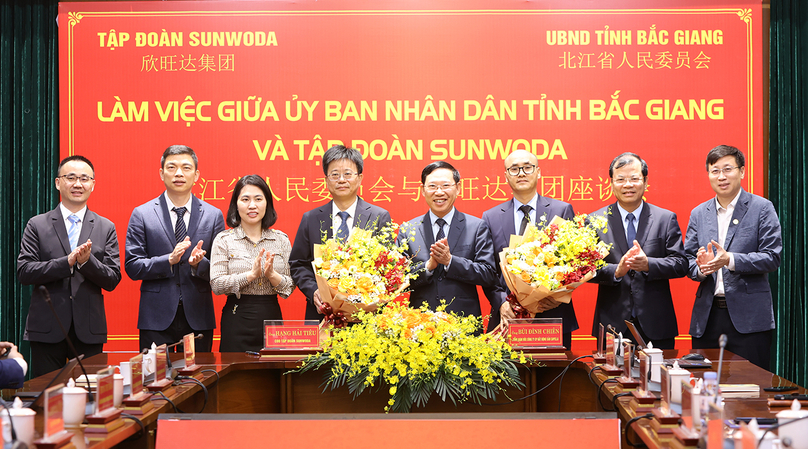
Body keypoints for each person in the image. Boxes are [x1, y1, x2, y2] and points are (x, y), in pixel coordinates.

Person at [17, 155, 121, 377]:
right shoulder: (37, 224)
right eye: (71, 177)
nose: (77, 184)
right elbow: (24, 271)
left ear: (93, 185)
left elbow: (112, 278)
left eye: (84, 178)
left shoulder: (105, 227)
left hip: (89, 329)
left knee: (90, 398)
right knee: (46, 396)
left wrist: (86, 262)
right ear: (58, 182)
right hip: (47, 326)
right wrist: (66, 263)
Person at [685, 145, 782, 369]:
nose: (721, 176)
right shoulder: (699, 213)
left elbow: (772, 257)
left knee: (750, 390)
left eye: (728, 169)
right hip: (707, 320)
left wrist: (729, 259)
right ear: (708, 174)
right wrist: (701, 268)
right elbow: (688, 261)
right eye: (715, 170)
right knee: (704, 389)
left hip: (749, 321)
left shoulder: (762, 208)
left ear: (742, 171)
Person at [125, 145, 225, 352]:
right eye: (172, 167)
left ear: (196, 175)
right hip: (155, 317)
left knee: (200, 379)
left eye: (186, 168)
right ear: (162, 173)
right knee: (155, 381)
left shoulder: (213, 215)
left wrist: (200, 264)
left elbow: (221, 270)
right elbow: (132, 265)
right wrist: (167, 260)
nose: (179, 173)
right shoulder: (142, 214)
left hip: (198, 316)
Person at [481, 150, 579, 347]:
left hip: (552, 315)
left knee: (554, 377)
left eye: (527, 167)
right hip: (509, 316)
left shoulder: (561, 210)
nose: (521, 173)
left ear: (538, 172)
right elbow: (487, 271)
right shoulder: (491, 217)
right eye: (514, 169)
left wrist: (558, 296)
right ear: (506, 176)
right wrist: (502, 302)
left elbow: (576, 262)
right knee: (509, 377)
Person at [589, 153, 687, 349]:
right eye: (621, 179)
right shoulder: (595, 221)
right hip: (612, 324)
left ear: (645, 181)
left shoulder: (665, 219)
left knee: (659, 379)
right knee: (610, 379)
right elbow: (585, 269)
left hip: (657, 324)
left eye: (634, 178)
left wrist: (649, 264)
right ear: (611, 183)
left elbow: (680, 264)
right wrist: (617, 271)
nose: (628, 185)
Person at [289, 145, 391, 321]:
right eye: (335, 174)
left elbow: (386, 266)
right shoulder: (311, 218)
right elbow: (298, 264)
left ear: (359, 178)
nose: (341, 180)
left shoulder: (378, 217)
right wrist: (314, 291)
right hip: (322, 313)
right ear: (326, 180)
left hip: (365, 317)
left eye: (348, 174)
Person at [398, 161, 498, 320]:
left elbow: (488, 274)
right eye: (432, 186)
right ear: (422, 190)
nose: (439, 192)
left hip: (465, 321)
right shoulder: (408, 229)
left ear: (458, 188)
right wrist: (427, 267)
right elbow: (398, 279)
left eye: (445, 185)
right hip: (419, 324)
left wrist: (450, 261)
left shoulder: (477, 227)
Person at [210, 175, 294, 352]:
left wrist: (272, 275)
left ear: (267, 203)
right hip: (237, 317)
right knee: (236, 377)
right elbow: (216, 285)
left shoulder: (280, 239)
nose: (252, 205)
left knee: (272, 376)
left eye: (258, 199)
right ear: (236, 204)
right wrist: (250, 275)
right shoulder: (224, 239)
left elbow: (289, 287)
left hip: (271, 317)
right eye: (245, 199)